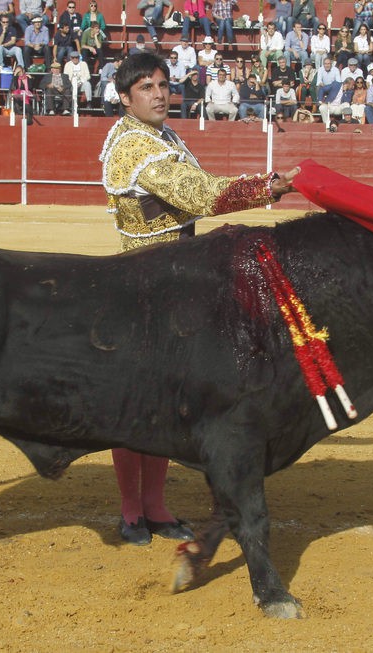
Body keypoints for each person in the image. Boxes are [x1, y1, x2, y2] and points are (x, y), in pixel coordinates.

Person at [99, 52, 297, 544]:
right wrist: (265, 187)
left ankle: (155, 506)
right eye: (146, 87)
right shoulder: (132, 147)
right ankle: (130, 511)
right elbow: (200, 196)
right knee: (136, 406)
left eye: (164, 84)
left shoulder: (162, 137)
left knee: (168, 404)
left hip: (176, 285)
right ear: (125, 99)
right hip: (142, 289)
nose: (161, 94)